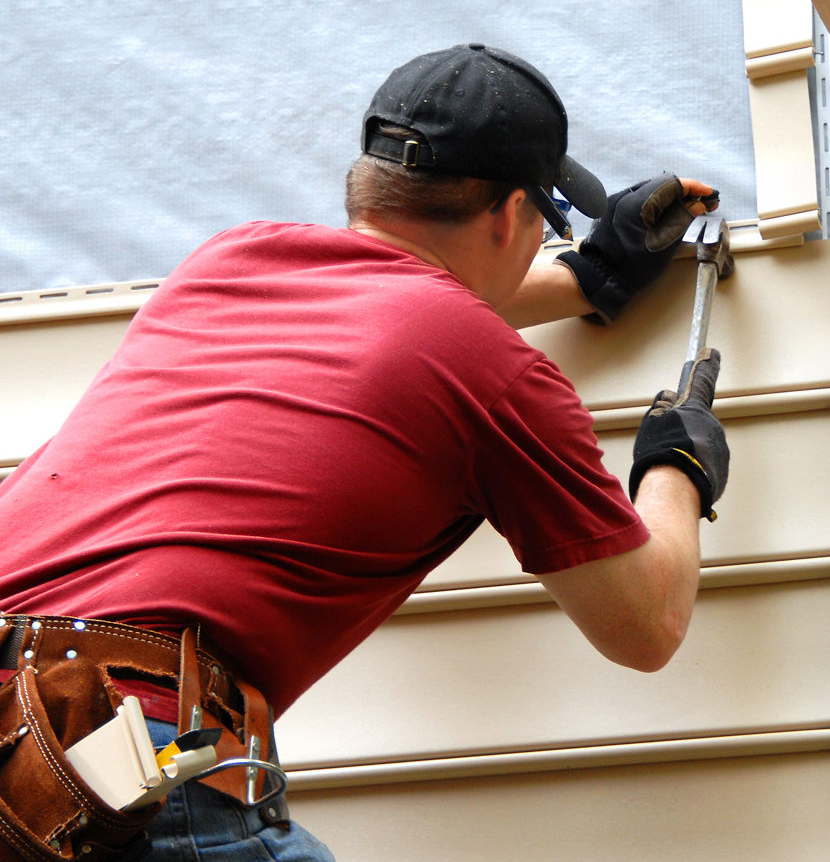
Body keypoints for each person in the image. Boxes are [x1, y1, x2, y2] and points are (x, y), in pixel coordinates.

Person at [0, 43, 729, 861]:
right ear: (508, 215)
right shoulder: (492, 372)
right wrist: (678, 466)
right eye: (550, 225)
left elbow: (391, 311)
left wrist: (589, 276)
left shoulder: (231, 262)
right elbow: (646, 626)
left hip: (25, 747)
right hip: (115, 748)